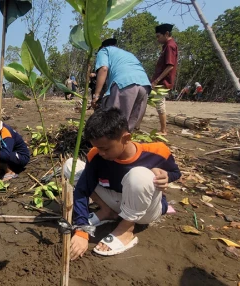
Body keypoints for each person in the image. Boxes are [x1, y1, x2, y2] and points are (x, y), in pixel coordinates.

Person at [70, 107, 181, 259]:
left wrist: (166, 176)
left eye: (105, 148)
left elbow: (176, 173)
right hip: (118, 201)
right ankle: (106, 211)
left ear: (126, 138)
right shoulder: (96, 156)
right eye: (97, 147)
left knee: (139, 175)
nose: (101, 153)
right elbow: (82, 190)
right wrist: (82, 230)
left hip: (145, 210)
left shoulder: (158, 152)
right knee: (70, 167)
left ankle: (125, 229)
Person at [92, 38, 151, 131]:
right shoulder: (127, 54)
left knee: (113, 124)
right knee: (129, 126)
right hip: (144, 85)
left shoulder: (104, 50)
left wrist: (96, 95)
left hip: (124, 83)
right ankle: (124, 144)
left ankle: (110, 145)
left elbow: (103, 69)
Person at [151, 23, 178, 135]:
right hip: (160, 81)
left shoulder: (170, 46)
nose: (157, 39)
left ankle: (163, 130)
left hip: (163, 82)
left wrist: (157, 80)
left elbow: (170, 65)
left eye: (158, 36)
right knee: (155, 102)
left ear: (166, 34)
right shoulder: (166, 46)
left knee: (160, 104)